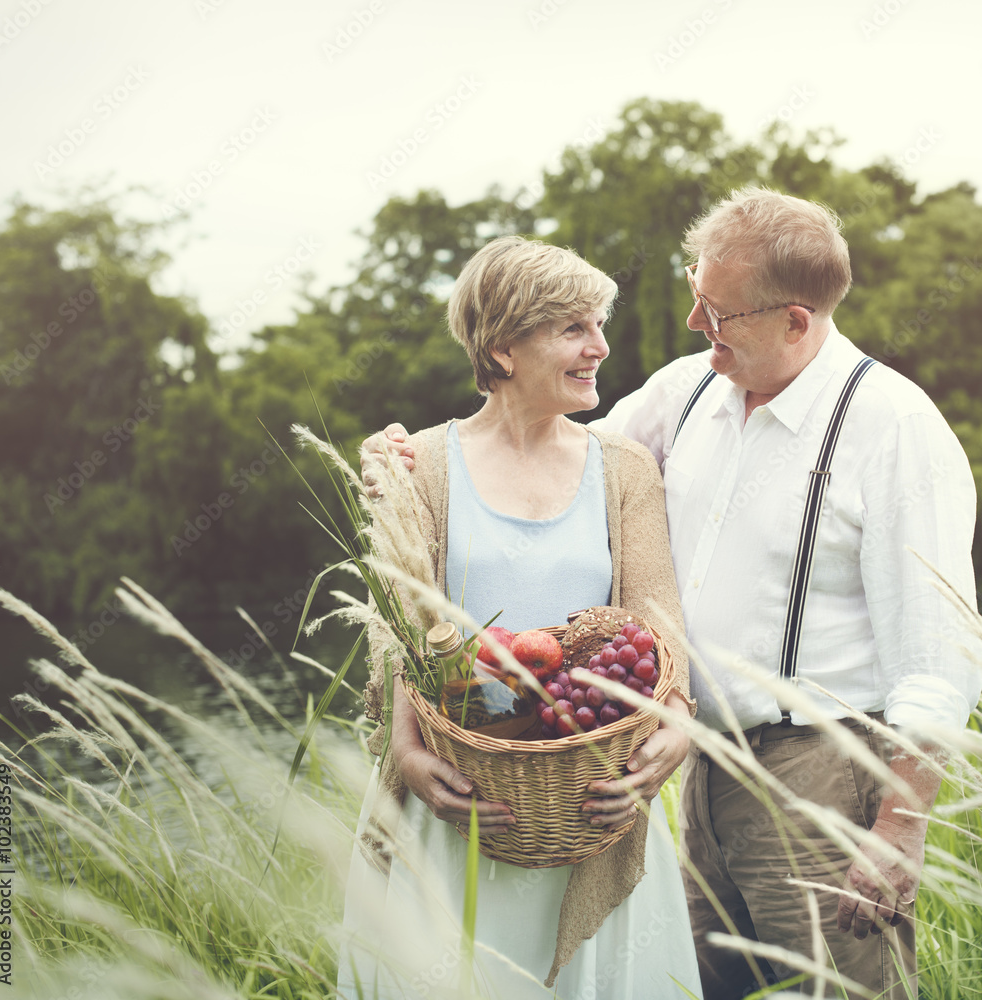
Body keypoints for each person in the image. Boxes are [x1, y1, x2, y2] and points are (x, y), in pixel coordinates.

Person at [362, 189, 981, 999]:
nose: (695, 323)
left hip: (823, 774)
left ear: (795, 321)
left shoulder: (893, 426)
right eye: (697, 291)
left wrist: (900, 828)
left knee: (842, 990)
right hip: (689, 775)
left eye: (718, 311)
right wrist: (409, 462)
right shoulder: (688, 390)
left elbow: (937, 648)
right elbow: (545, 452)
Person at [338, 235, 702, 999]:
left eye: (598, 324)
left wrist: (675, 720)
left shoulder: (623, 468)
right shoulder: (423, 466)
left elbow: (655, 620)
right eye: (573, 329)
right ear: (502, 349)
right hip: (463, 806)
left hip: (597, 803)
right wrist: (407, 752)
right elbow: (402, 631)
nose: (599, 347)